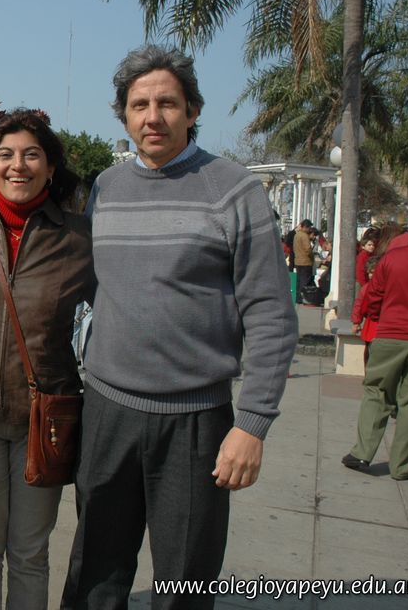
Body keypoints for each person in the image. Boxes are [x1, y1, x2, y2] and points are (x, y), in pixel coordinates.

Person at [62, 45, 298, 610]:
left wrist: (252, 424)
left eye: (167, 103)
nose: (153, 117)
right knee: (95, 572)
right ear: (123, 116)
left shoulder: (233, 189)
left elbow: (271, 313)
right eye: (139, 105)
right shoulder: (106, 188)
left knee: (186, 577)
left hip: (196, 421)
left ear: (192, 110)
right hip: (108, 412)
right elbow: (96, 288)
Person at [0, 110, 94, 610]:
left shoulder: (80, 238)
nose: (18, 165)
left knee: (30, 553)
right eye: (6, 155)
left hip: (44, 420)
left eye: (32, 155)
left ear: (50, 168)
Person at [341, 199, 408, 481]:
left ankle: (362, 452)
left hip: (389, 334)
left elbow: (373, 295)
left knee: (377, 391)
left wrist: (377, 317)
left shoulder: (392, 259)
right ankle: (403, 466)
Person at [351, 256, 381, 366]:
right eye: (369, 273)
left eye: (373, 272)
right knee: (369, 350)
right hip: (371, 322)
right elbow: (358, 305)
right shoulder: (366, 288)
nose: (371, 275)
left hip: (383, 323)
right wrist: (356, 322)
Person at [293, 219, 315, 302]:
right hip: (305, 262)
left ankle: (298, 297)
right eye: (309, 227)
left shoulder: (297, 235)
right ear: (305, 227)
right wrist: (312, 257)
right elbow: (308, 249)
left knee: (299, 280)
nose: (310, 229)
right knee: (305, 281)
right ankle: (304, 297)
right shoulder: (304, 236)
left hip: (298, 261)